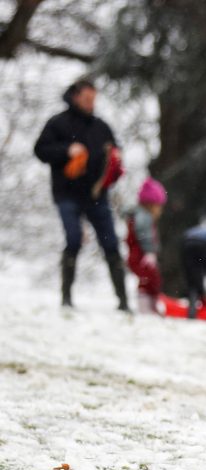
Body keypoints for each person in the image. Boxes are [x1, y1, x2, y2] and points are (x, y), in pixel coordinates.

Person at [34, 79, 128, 311]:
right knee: (74, 239)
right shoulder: (57, 124)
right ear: (75, 97)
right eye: (86, 98)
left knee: (111, 243)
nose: (90, 103)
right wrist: (66, 150)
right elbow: (40, 150)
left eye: (93, 99)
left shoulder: (101, 127)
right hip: (67, 194)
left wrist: (115, 157)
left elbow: (115, 150)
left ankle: (124, 302)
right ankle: (66, 298)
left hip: (97, 195)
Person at [125, 177, 167, 315]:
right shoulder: (143, 217)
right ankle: (147, 308)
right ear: (150, 205)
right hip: (141, 256)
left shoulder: (138, 216)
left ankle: (151, 306)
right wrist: (149, 252)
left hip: (138, 256)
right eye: (159, 207)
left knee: (150, 280)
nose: (160, 211)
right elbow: (145, 236)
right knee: (150, 280)